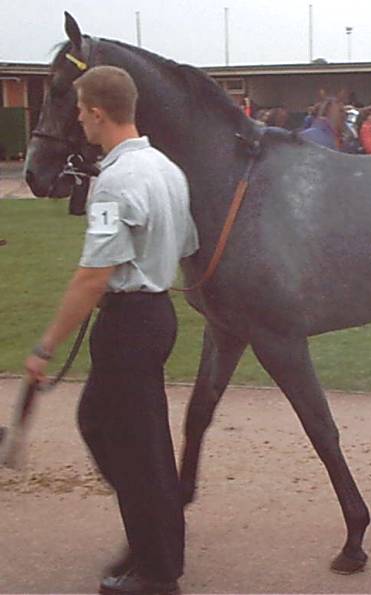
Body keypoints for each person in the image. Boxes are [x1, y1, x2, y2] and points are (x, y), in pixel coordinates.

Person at [24, 65, 198, 595]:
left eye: (80, 111)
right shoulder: (166, 169)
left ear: (98, 114)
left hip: (128, 323)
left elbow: (93, 276)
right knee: (102, 424)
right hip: (155, 315)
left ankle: (157, 570)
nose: (78, 120)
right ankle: (156, 536)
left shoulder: (117, 180)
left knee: (134, 447)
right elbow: (186, 244)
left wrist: (45, 347)